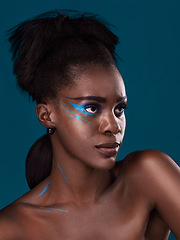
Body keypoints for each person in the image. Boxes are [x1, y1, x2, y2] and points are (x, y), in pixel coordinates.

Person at [0, 9, 180, 240]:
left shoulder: (147, 176)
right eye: (91, 108)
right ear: (46, 115)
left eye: (119, 109)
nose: (113, 126)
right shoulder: (12, 227)